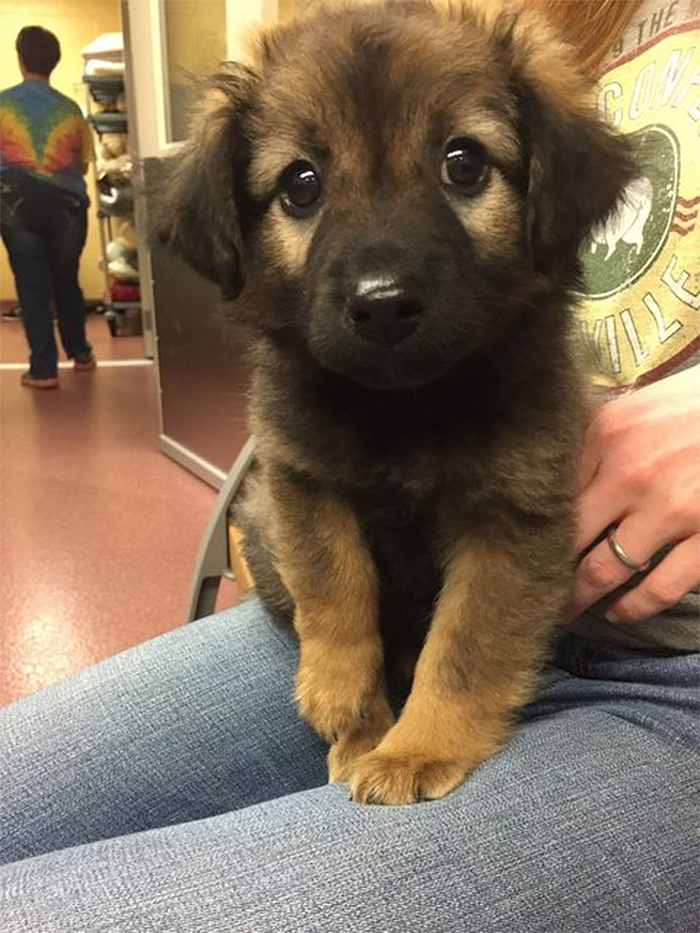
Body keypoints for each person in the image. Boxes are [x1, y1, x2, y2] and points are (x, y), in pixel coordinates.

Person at [0, 2, 698, 929]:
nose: (380, 273)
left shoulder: (528, 98)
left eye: (462, 167)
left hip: (662, 661)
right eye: (300, 188)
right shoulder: (536, 29)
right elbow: (297, 477)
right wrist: (337, 633)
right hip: (386, 629)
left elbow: (508, 520)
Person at [0, 26, 96, 390]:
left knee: (32, 286)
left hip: (16, 205)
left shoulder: (2, 104)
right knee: (65, 281)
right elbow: (84, 164)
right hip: (67, 209)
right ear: (54, 62)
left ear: (21, 58)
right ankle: (81, 353)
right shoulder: (71, 111)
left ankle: (43, 370)